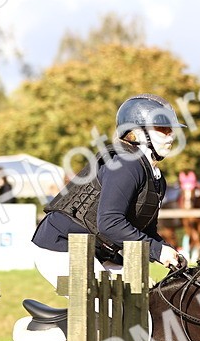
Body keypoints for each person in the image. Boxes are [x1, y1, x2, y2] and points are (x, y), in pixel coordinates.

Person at [32, 93, 185, 287]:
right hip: (61, 246)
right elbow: (110, 223)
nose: (171, 135)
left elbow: (145, 230)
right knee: (111, 307)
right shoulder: (125, 164)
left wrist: (167, 250)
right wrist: (156, 251)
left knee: (144, 297)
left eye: (172, 130)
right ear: (137, 133)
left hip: (98, 250)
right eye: (163, 129)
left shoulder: (156, 178)